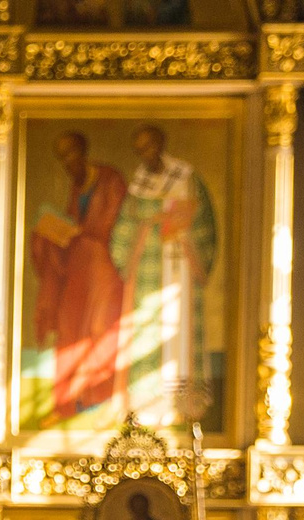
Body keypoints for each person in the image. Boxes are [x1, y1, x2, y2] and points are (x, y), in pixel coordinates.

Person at [111, 124, 217, 423]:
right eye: (139, 150)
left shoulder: (187, 178)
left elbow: (204, 221)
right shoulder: (139, 185)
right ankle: (143, 406)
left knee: (179, 330)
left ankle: (184, 405)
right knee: (145, 333)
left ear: (160, 144)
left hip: (181, 265)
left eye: (148, 147)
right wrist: (149, 223)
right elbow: (124, 228)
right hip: (148, 268)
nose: (145, 155)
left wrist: (181, 226)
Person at [27, 130, 127, 423]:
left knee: (99, 329)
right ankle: (66, 404)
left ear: (82, 151)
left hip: (102, 265)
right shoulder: (77, 185)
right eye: (62, 158)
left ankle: (98, 401)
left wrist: (78, 230)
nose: (67, 162)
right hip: (78, 264)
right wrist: (53, 233)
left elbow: (113, 222)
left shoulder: (110, 179)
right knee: (69, 328)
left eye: (70, 154)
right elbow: (75, 223)